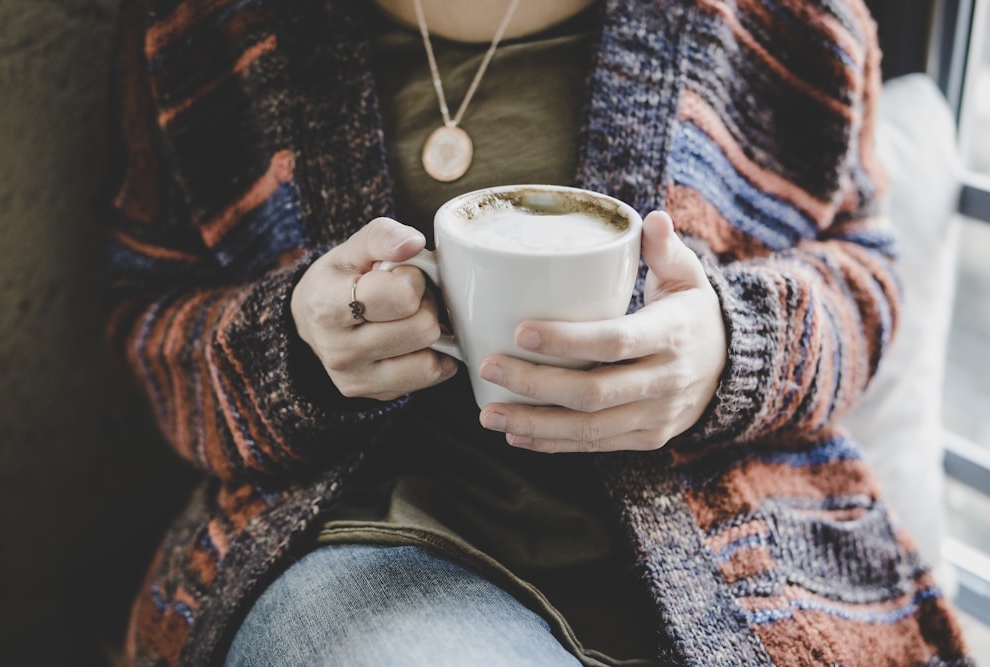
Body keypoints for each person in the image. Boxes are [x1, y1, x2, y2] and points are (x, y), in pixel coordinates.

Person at [106, 0, 974, 664]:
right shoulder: (205, 28)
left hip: (743, 557)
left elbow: (865, 274)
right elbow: (151, 319)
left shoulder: (789, 20)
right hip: (372, 554)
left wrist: (731, 351)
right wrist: (292, 347)